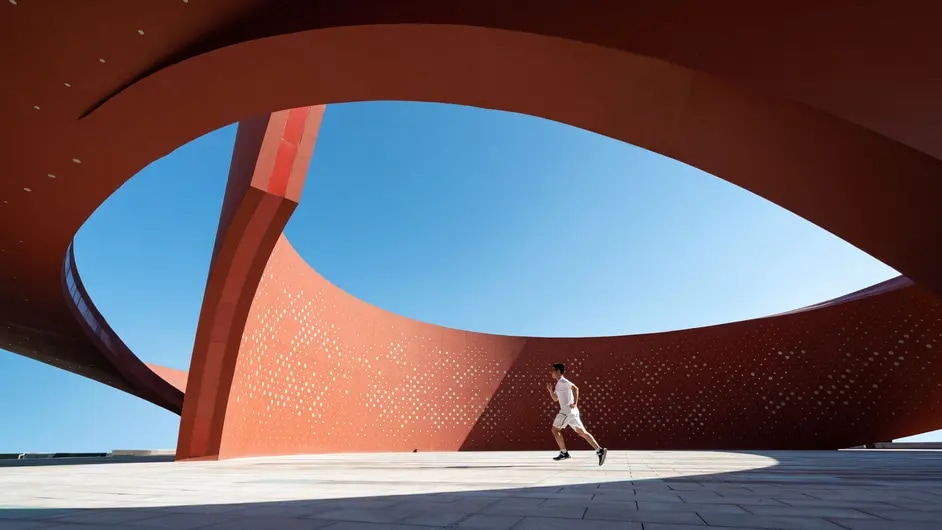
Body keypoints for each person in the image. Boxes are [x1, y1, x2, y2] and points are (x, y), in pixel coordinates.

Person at [545, 362, 607, 465]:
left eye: (552, 370)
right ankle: (599, 450)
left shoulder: (564, 381)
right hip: (572, 413)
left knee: (555, 430)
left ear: (558, 371)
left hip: (566, 412)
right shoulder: (558, 384)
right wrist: (550, 391)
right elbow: (555, 399)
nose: (551, 372)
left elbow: (575, 388)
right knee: (582, 432)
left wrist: (575, 403)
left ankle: (564, 452)